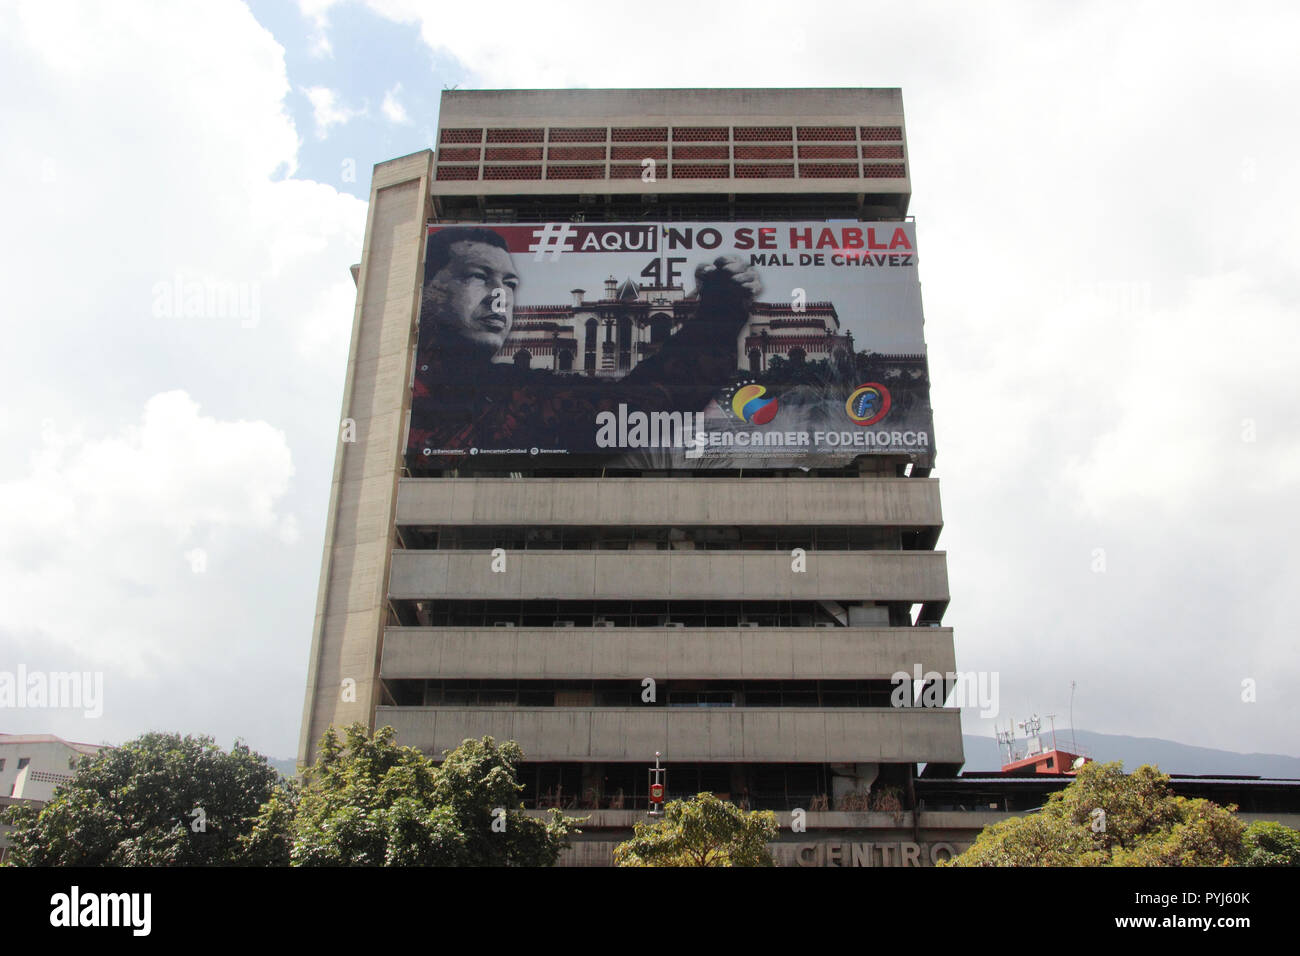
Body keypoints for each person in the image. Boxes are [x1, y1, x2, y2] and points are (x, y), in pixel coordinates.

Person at [408, 225, 761, 461]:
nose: (500, 298)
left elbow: (638, 407)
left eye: (510, 284)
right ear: (424, 290)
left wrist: (721, 309)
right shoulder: (400, 394)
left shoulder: (514, 394)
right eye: (478, 277)